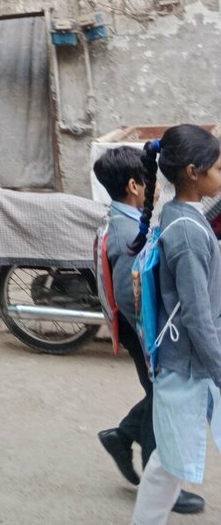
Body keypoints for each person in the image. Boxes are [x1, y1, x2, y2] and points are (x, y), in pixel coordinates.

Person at [94, 147, 203, 515]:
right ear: (134, 186)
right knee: (164, 402)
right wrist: (154, 345)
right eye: (149, 180)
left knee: (160, 397)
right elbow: (131, 297)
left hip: (138, 329)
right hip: (143, 333)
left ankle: (122, 436)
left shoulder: (122, 219)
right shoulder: (127, 232)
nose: (156, 187)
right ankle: (161, 480)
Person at [129, 125, 221, 525]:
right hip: (192, 364)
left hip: (187, 361)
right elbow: (198, 319)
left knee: (168, 462)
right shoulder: (187, 235)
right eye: (218, 167)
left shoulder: (180, 213)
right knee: (168, 463)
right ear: (193, 173)